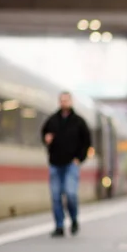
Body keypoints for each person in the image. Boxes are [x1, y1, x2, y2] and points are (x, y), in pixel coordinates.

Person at [41, 91, 91, 237]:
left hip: (71, 164)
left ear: (71, 101)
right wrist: (46, 140)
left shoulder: (79, 122)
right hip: (55, 164)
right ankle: (59, 226)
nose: (64, 103)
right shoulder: (52, 120)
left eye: (66, 100)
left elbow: (87, 142)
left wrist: (79, 159)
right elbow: (44, 135)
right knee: (56, 196)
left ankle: (74, 219)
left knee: (70, 194)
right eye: (62, 100)